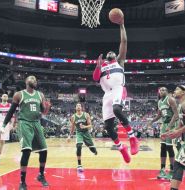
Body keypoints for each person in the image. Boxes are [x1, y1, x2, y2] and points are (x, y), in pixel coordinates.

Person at [92, 18, 139, 163]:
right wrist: (98, 66)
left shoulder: (119, 61)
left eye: (114, 52)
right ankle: (121, 148)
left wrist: (122, 25)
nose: (112, 52)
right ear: (107, 57)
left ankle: (132, 137)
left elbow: (123, 42)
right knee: (108, 127)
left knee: (117, 110)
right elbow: (95, 78)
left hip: (118, 89)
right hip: (107, 94)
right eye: (109, 52)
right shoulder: (102, 65)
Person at [0, 76, 51, 190]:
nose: (34, 80)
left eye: (35, 79)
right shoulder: (19, 94)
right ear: (26, 81)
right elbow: (11, 111)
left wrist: (47, 108)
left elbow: (43, 112)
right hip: (24, 123)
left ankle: (41, 175)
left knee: (44, 151)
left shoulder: (40, 95)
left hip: (36, 123)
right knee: (26, 150)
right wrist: (4, 125)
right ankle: (22, 182)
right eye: (32, 78)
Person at [150, 87, 178, 180]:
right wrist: (152, 121)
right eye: (160, 90)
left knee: (169, 147)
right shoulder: (159, 102)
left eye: (164, 90)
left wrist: (170, 126)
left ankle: (172, 170)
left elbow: (176, 114)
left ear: (167, 92)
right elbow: (159, 115)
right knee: (163, 147)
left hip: (171, 124)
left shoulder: (170, 99)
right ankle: (162, 169)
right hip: (164, 125)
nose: (162, 91)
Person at [67, 103, 97, 172]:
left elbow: (90, 125)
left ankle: (94, 150)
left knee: (93, 149)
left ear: (81, 107)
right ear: (75, 108)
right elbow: (72, 128)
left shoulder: (86, 115)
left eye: (79, 106)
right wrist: (69, 136)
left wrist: (85, 126)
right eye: (77, 106)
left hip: (86, 133)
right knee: (79, 146)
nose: (78, 107)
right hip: (79, 133)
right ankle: (79, 165)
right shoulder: (73, 117)